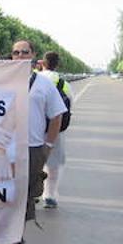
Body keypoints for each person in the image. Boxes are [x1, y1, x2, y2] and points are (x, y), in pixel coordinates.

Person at [0, 39, 66, 244]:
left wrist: (48, 146)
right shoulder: (0, 81)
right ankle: (0, 239)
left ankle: (17, 237)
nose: (19, 56)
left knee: (24, 195)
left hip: (32, 148)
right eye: (15, 52)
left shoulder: (44, 84)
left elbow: (56, 116)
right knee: (2, 192)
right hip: (3, 149)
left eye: (24, 52)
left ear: (32, 55)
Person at [38, 51, 71, 209]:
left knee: (32, 161)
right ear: (57, 64)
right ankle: (50, 195)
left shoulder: (36, 78)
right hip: (56, 128)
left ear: (42, 63)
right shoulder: (63, 83)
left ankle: (33, 193)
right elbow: (69, 106)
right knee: (53, 164)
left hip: (35, 127)